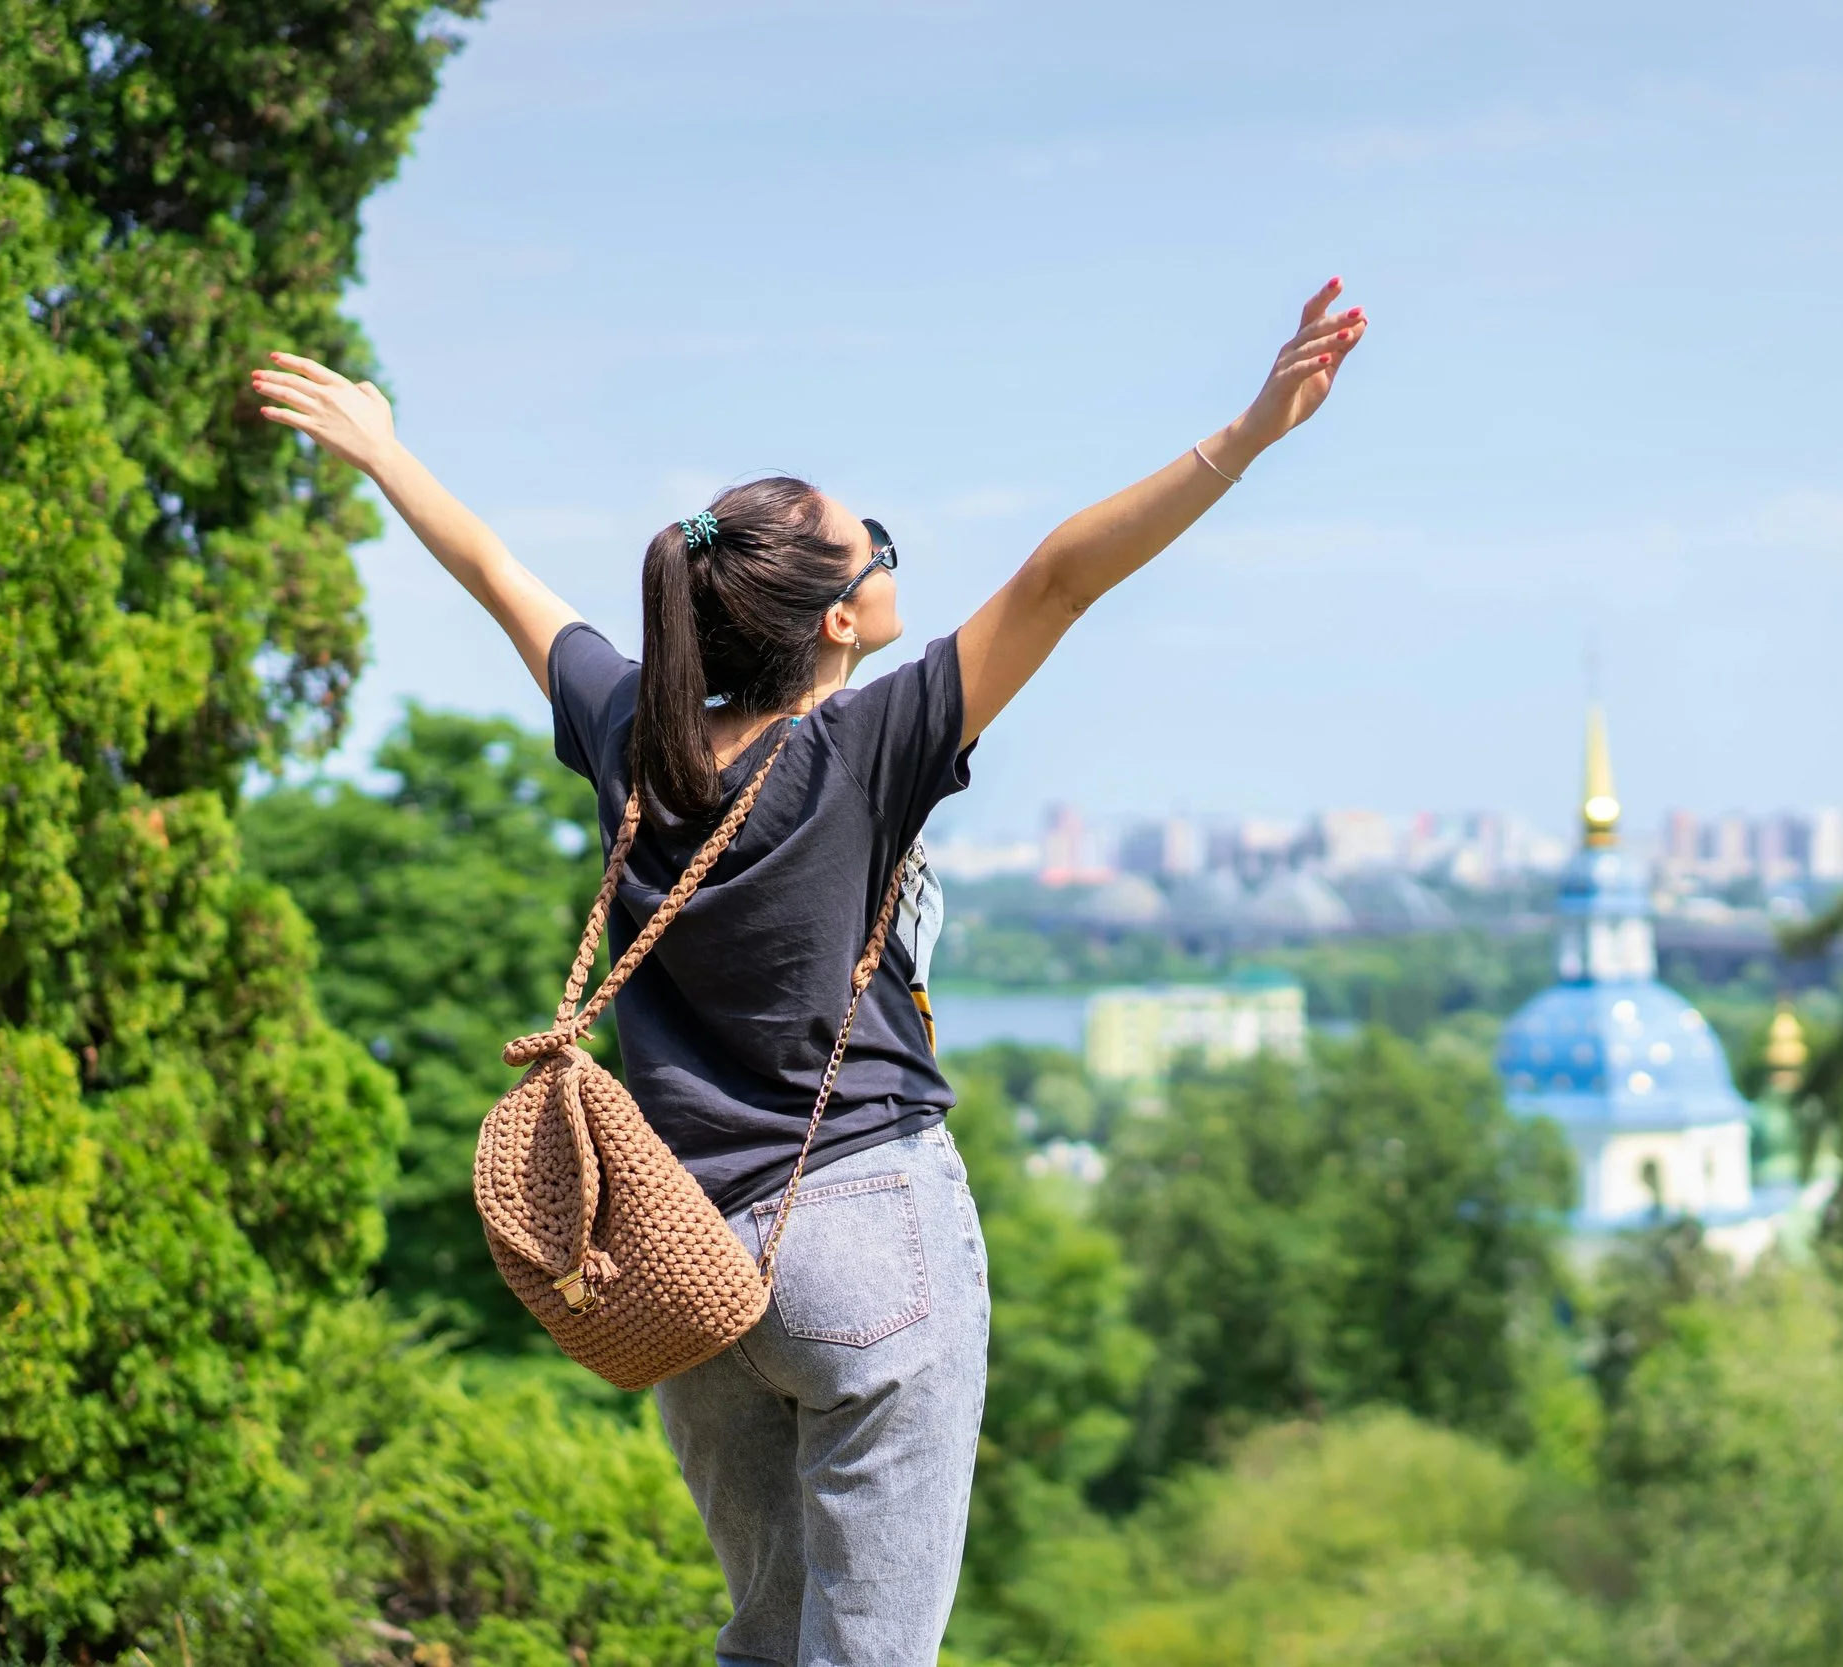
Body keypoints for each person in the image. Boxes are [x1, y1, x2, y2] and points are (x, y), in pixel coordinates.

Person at [249, 279, 1368, 1666]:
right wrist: (1248, 435)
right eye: (877, 549)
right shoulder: (857, 752)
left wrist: (384, 449)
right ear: (834, 623)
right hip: (866, 1234)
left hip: (689, 1259)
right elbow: (1060, 576)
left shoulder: (630, 733)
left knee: (763, 1645)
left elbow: (494, 570)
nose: (898, 561)